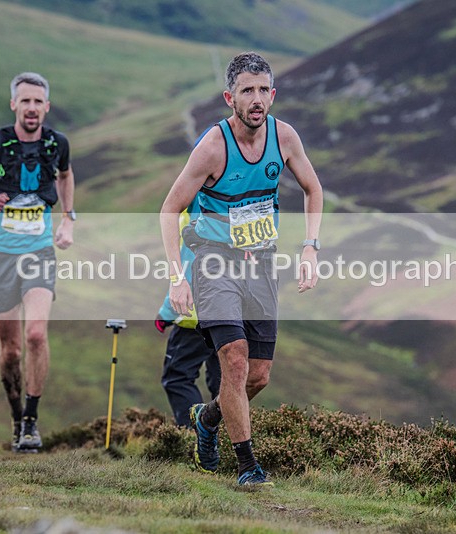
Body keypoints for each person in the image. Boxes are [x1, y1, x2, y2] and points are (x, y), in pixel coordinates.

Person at [160, 52, 323, 487]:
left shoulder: (284, 138)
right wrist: (178, 277)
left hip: (262, 264)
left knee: (258, 376)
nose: (256, 100)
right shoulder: (212, 147)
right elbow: (169, 208)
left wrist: (310, 248)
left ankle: (207, 419)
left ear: (273, 95)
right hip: (213, 263)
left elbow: (313, 188)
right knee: (233, 361)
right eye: (246, 91)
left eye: (262, 91)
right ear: (230, 96)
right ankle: (249, 466)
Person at [0, 72, 75, 452]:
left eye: (38, 101)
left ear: (47, 106)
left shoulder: (57, 144)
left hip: (39, 252)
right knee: (11, 350)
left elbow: (67, 175)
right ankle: (16, 415)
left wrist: (69, 217)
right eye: (25, 101)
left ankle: (32, 421)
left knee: (36, 334)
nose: (32, 108)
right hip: (0, 255)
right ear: (14, 105)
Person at [155, 203, 221, 428]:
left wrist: (166, 312)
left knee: (177, 377)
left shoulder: (192, 206)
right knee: (223, 379)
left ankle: (196, 438)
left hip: (194, 314)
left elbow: (188, 262)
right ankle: (225, 440)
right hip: (232, 309)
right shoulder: (228, 195)